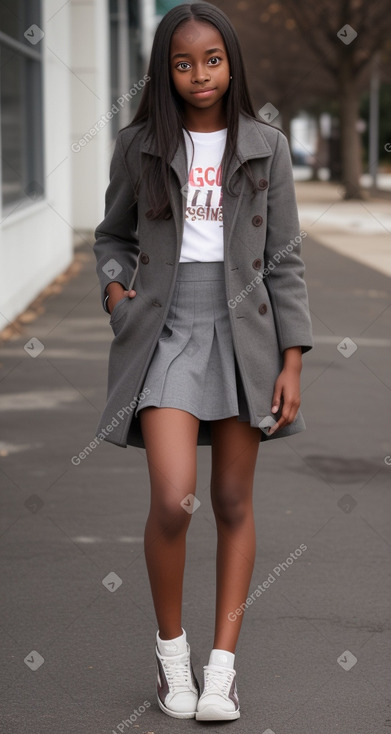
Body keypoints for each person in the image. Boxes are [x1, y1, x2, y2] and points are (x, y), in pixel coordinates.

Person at [93, 1, 313, 722]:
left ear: (230, 63)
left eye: (211, 60)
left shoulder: (266, 146)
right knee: (172, 496)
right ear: (164, 70)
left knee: (231, 501)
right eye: (182, 63)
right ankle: (170, 659)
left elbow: (284, 262)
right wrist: (116, 293)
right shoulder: (139, 145)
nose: (199, 75)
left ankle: (219, 672)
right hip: (162, 330)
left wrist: (292, 358)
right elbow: (111, 234)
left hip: (244, 332)